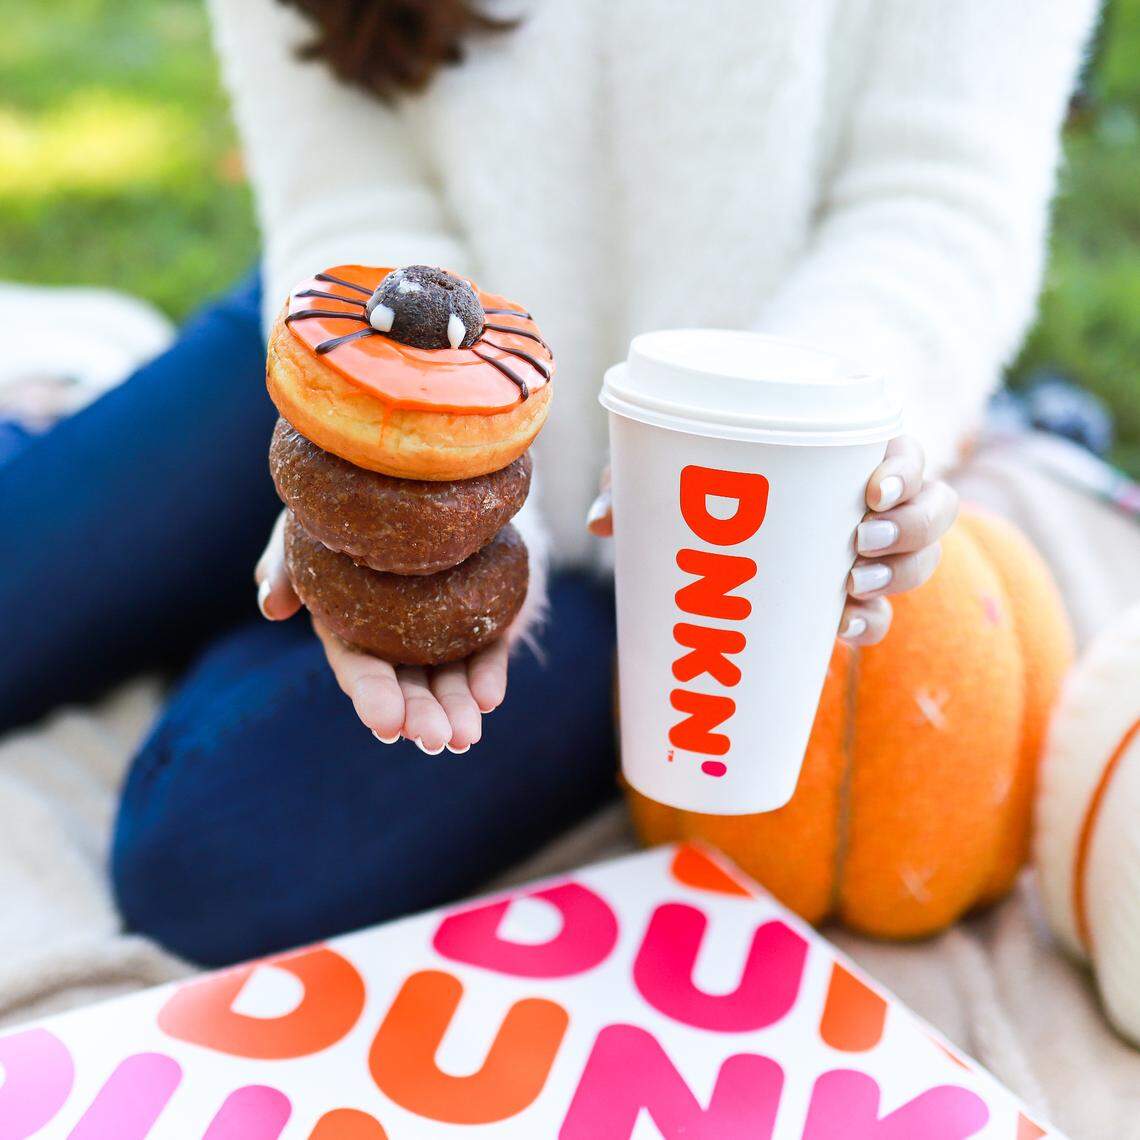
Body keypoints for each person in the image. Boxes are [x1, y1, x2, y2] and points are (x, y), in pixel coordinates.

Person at [0, 0, 1094, 964]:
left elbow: (936, 201)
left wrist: (782, 467)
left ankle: (191, 574)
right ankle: (205, 537)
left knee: (213, 864)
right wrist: (407, 487)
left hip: (709, 519)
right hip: (377, 344)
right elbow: (349, 190)